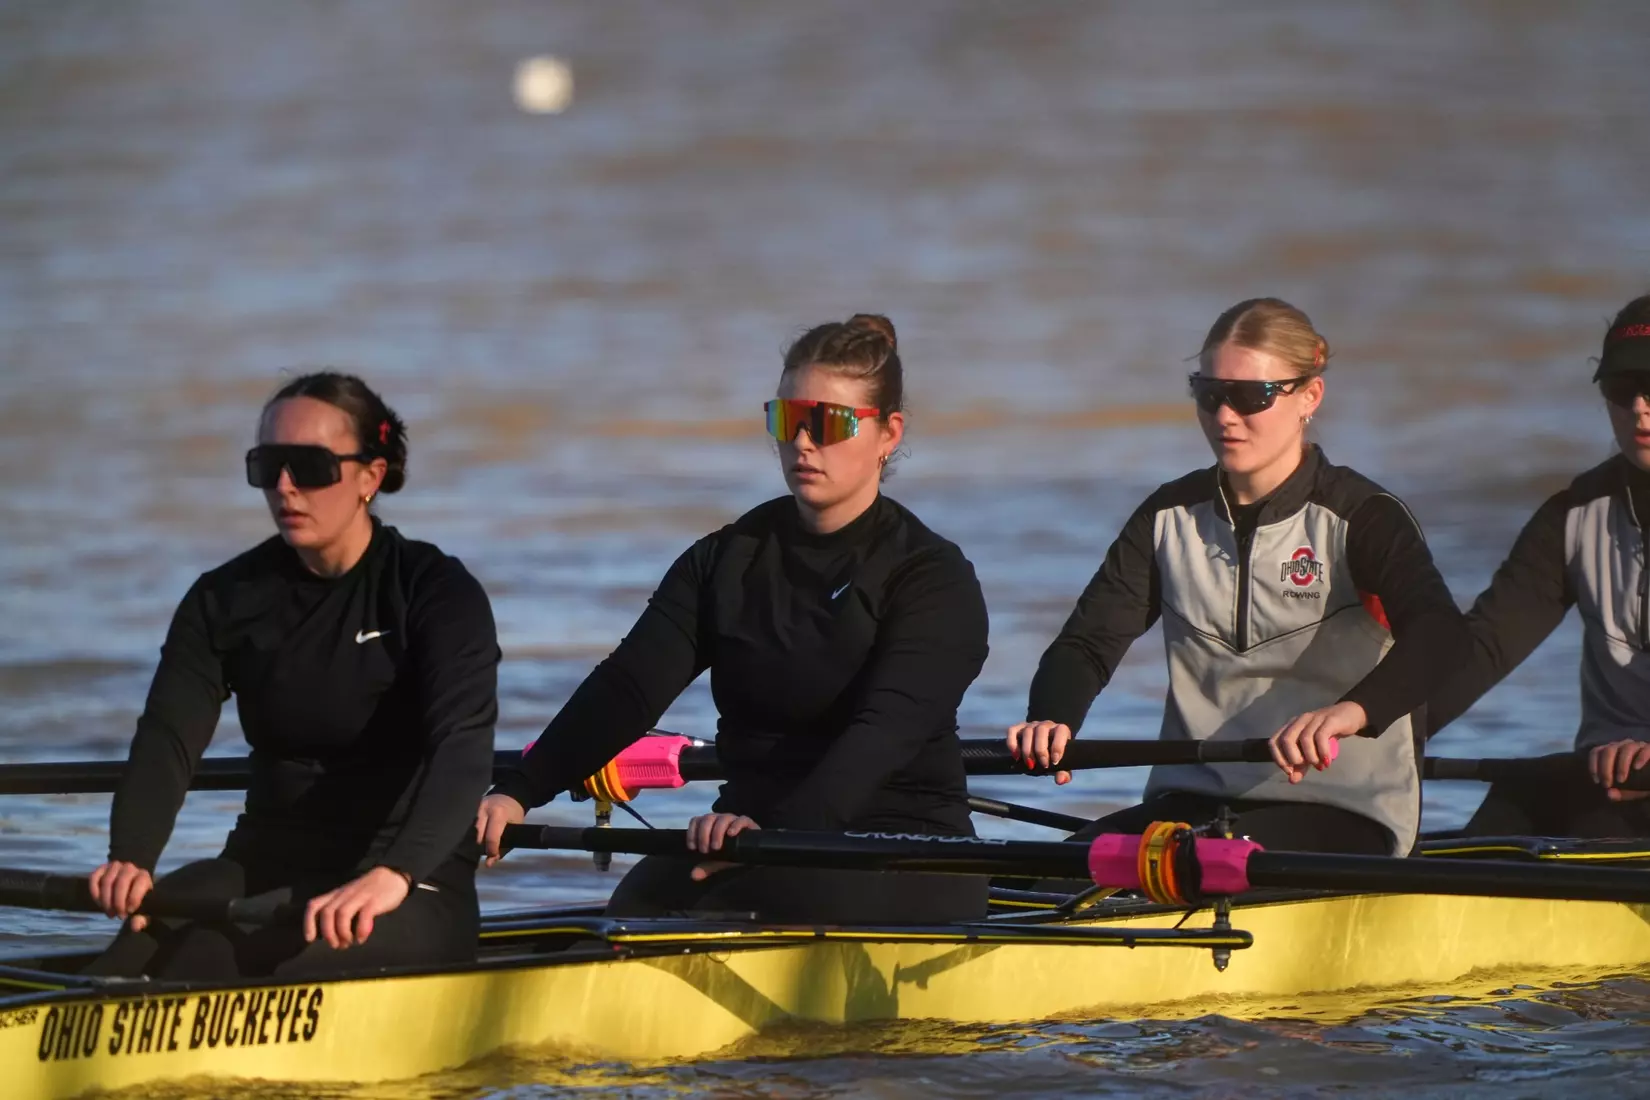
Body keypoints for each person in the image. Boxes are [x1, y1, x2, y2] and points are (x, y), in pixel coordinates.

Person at [476, 314, 990, 923]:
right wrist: (519, 790)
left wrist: (777, 835)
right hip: (743, 836)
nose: (802, 442)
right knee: (639, 899)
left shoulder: (931, 577)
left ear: (888, 433)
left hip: (905, 847)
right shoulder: (727, 557)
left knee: (752, 897)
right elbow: (628, 688)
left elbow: (882, 737)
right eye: (786, 418)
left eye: (827, 423)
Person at [1009, 298, 1467, 856]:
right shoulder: (1167, 518)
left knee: (1188, 864)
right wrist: (1051, 717)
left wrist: (1349, 714)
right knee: (1045, 868)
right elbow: (1088, 643)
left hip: (1346, 810)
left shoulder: (1363, 517)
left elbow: (1441, 636)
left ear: (1310, 397)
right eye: (1209, 394)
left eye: (1251, 397)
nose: (1225, 416)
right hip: (1194, 802)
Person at [85, 372, 499, 979]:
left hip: (405, 883)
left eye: (308, 466)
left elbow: (463, 750)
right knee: (133, 948)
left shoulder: (435, 593)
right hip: (262, 862)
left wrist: (395, 873)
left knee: (205, 955)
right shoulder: (223, 600)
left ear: (370, 476)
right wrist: (131, 856)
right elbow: (168, 739)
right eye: (268, 464)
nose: (284, 486)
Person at [1428, 294, 1650, 837]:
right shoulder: (1574, 514)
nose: (1641, 407)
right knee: (1512, 805)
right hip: (1605, 781)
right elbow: (1483, 647)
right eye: (1624, 391)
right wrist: (1370, 729)